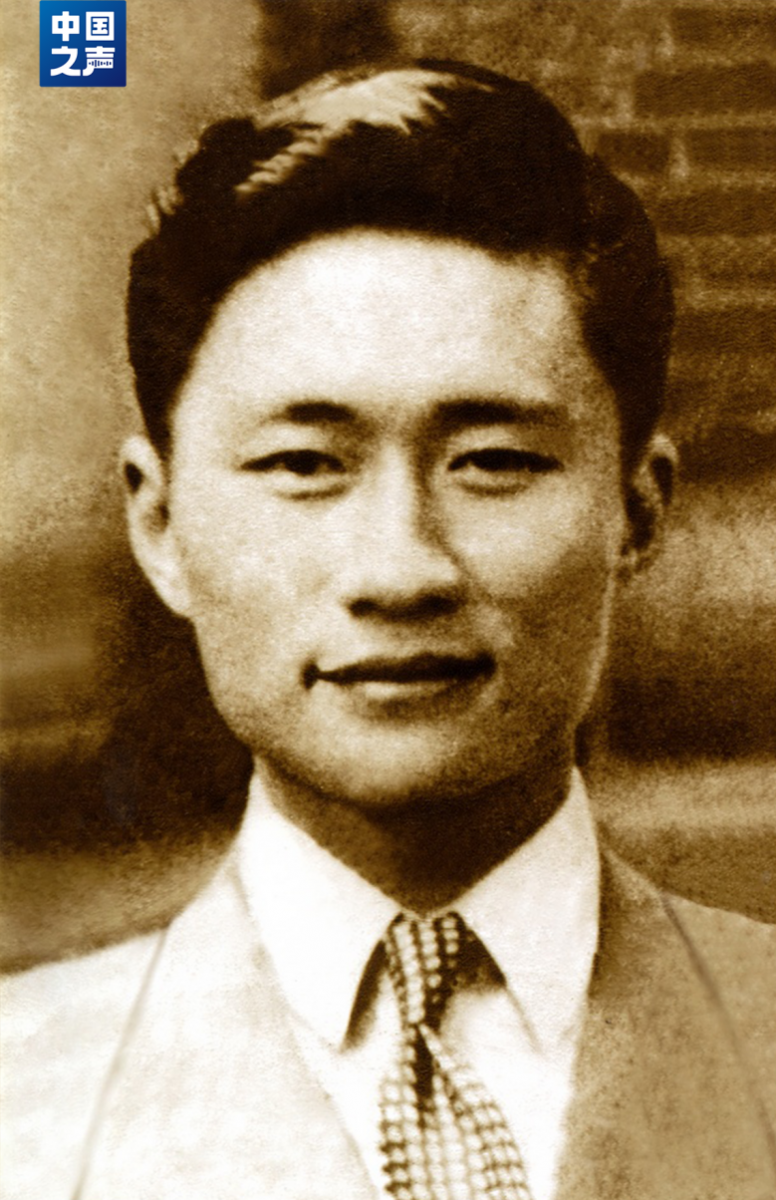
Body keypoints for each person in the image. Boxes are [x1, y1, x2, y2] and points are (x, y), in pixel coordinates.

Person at [3, 60, 775, 1200]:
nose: (401, 569)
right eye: (303, 464)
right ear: (160, 526)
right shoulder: (23, 1100)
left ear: (636, 508)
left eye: (493, 461)